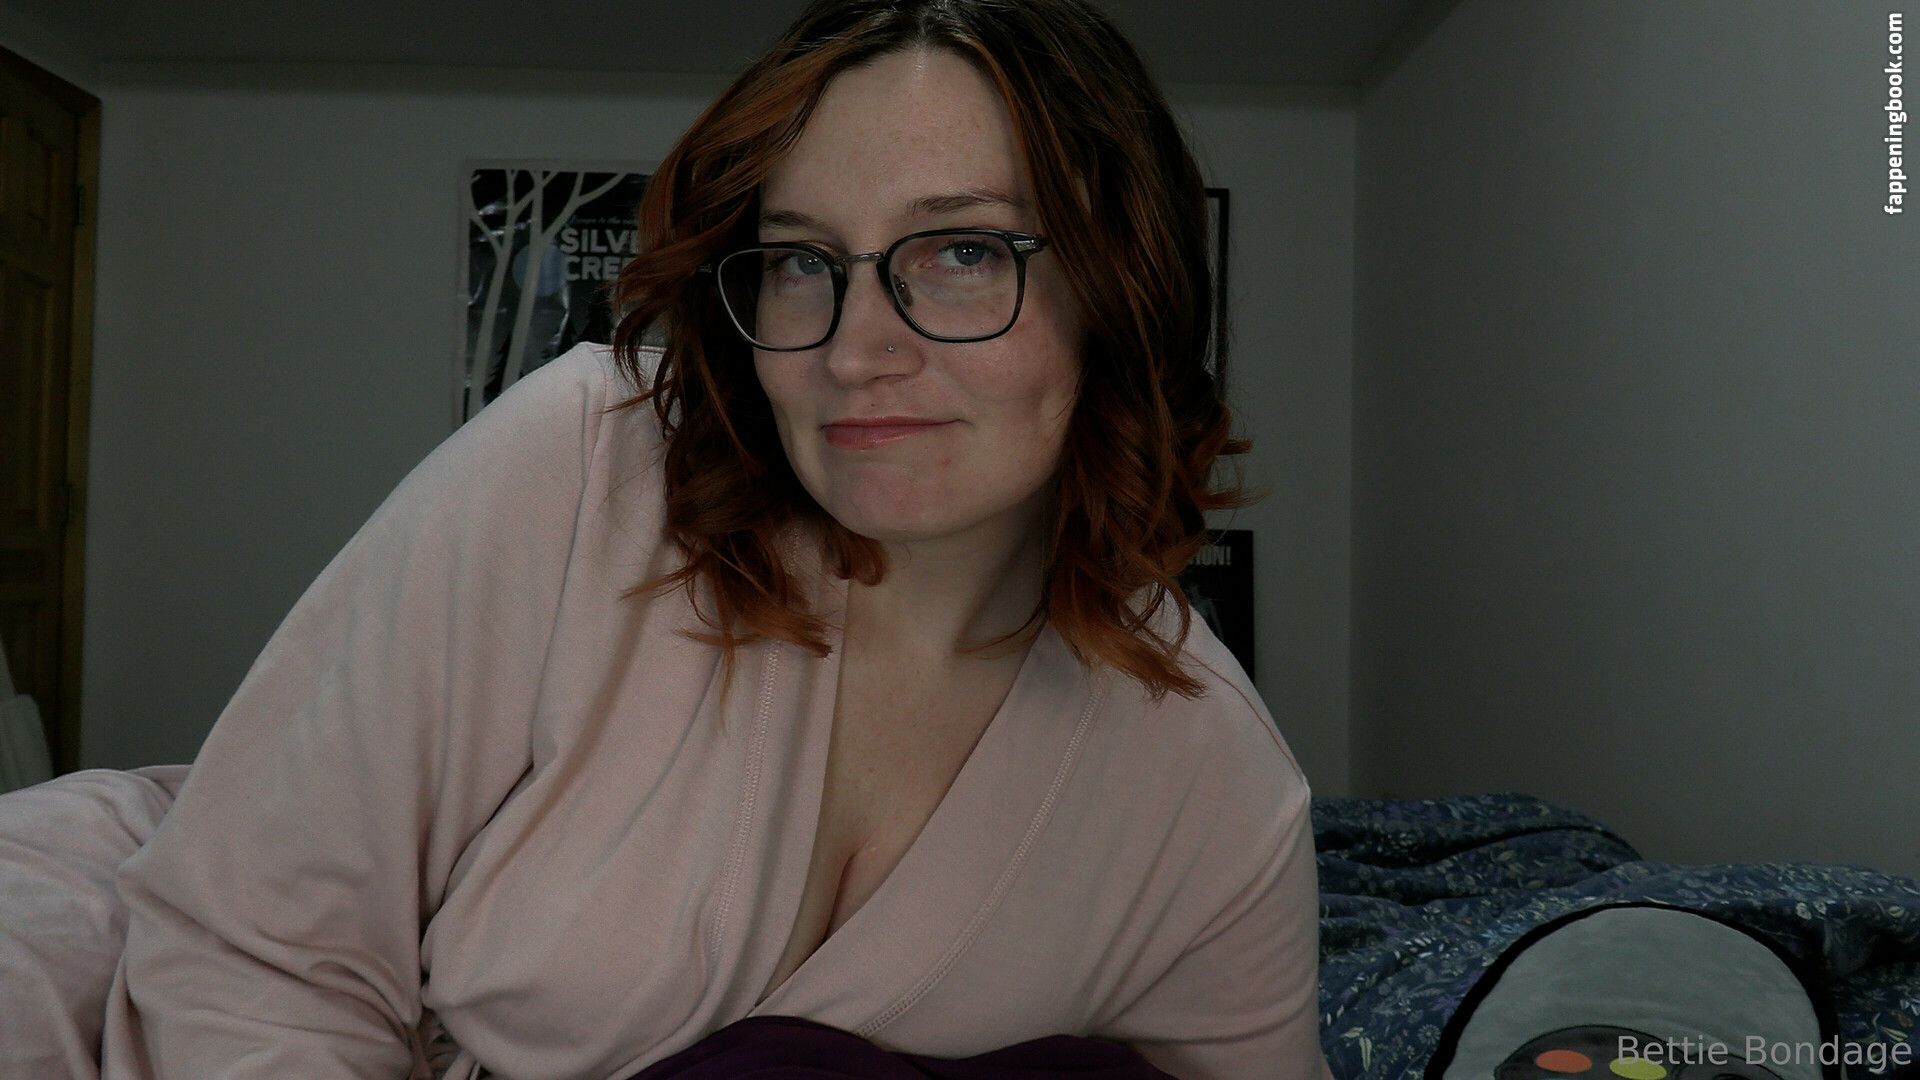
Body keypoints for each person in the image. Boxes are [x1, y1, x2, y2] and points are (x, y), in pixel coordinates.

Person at [94, 1, 1330, 1078]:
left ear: (1122, 293)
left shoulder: (1211, 788)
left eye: (961, 250)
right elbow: (250, 951)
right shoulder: (587, 465)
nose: (854, 348)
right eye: (800, 261)